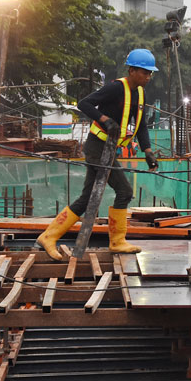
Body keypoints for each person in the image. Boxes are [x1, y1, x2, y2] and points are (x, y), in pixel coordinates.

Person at [36, 49, 161, 261]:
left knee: (86, 198)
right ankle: (117, 242)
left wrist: (147, 150)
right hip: (97, 148)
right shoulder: (115, 88)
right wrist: (104, 119)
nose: (148, 77)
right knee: (124, 191)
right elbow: (84, 103)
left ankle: (49, 236)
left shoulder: (140, 93)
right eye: (144, 72)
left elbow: (141, 126)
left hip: (110, 150)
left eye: (150, 73)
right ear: (131, 70)